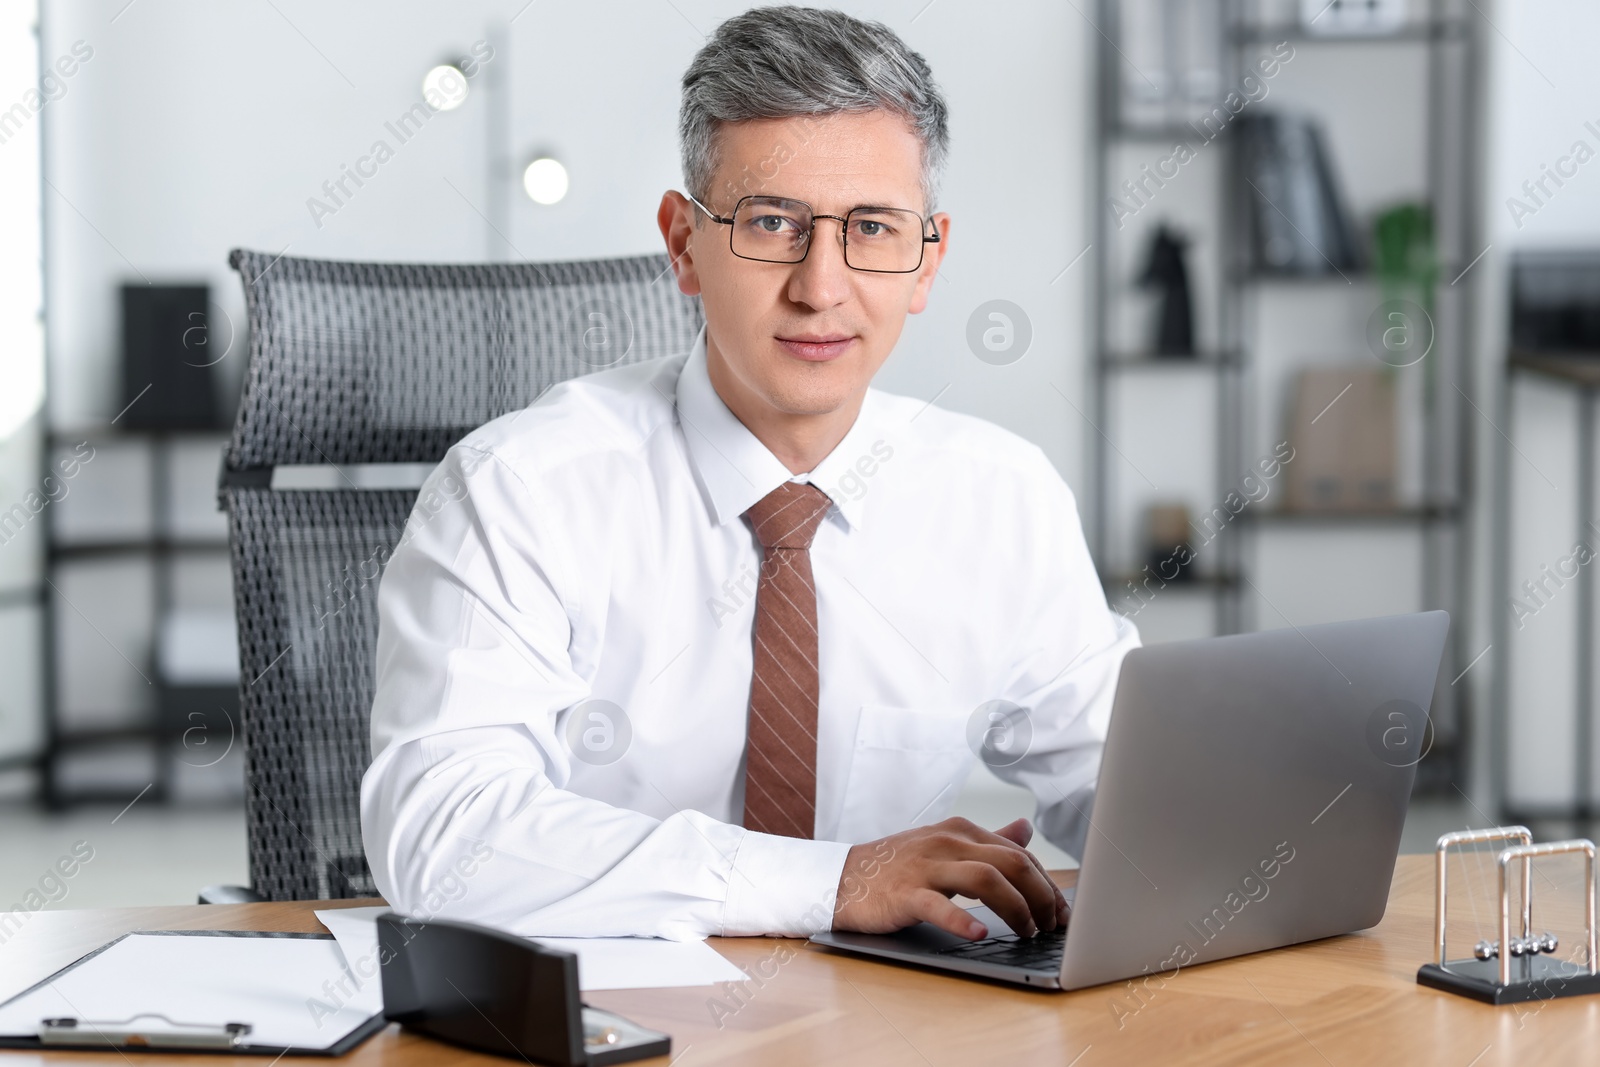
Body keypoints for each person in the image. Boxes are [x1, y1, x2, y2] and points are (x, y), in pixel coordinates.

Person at [361, 5, 1139, 943]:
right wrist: (831, 881)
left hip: (900, 1022)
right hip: (603, 1022)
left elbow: (1126, 778)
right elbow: (443, 837)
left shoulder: (1002, 498)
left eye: (874, 229)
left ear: (926, 259)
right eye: (773, 223)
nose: (821, 285)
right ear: (684, 245)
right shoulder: (517, 490)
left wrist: (1236, 838)